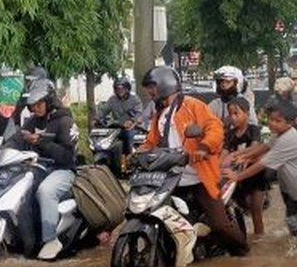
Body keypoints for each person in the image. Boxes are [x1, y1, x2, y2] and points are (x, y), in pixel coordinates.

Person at [139, 66, 248, 256]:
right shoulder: (159, 115)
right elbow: (151, 141)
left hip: (199, 177)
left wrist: (203, 147)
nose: (149, 91)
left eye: (152, 86)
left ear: (165, 84)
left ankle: (243, 251)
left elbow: (214, 128)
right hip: (171, 178)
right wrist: (138, 152)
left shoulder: (192, 105)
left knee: (220, 225)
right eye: (148, 87)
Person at [229, 103, 297, 248]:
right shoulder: (277, 135)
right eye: (271, 119)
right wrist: (243, 156)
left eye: (278, 121)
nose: (272, 124)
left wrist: (237, 177)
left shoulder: (289, 139)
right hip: (291, 189)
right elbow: (263, 147)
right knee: (295, 231)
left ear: (289, 123)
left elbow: (262, 164)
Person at [11, 78, 77, 252]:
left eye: (39, 103)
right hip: (37, 169)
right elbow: (16, 139)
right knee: (19, 191)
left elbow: (67, 156)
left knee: (45, 191)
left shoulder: (64, 121)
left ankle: (50, 239)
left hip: (63, 170)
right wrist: (0, 152)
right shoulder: (32, 121)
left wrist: (41, 142)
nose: (35, 108)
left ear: (49, 101)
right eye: (32, 104)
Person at [220, 98, 266, 236]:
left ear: (246, 113)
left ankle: (259, 236)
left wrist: (238, 157)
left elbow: (254, 148)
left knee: (256, 208)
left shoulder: (254, 130)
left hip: (256, 175)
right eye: (231, 114)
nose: (233, 117)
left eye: (237, 113)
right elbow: (223, 155)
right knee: (239, 208)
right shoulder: (229, 135)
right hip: (238, 178)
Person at [95, 76, 144, 161]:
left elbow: (139, 113)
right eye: (117, 88)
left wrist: (131, 121)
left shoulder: (134, 99)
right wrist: (96, 119)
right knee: (104, 137)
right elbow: (104, 110)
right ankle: (107, 159)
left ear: (127, 88)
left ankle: (130, 159)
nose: (120, 90)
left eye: (122, 88)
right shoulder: (112, 99)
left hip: (132, 128)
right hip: (117, 126)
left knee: (129, 136)